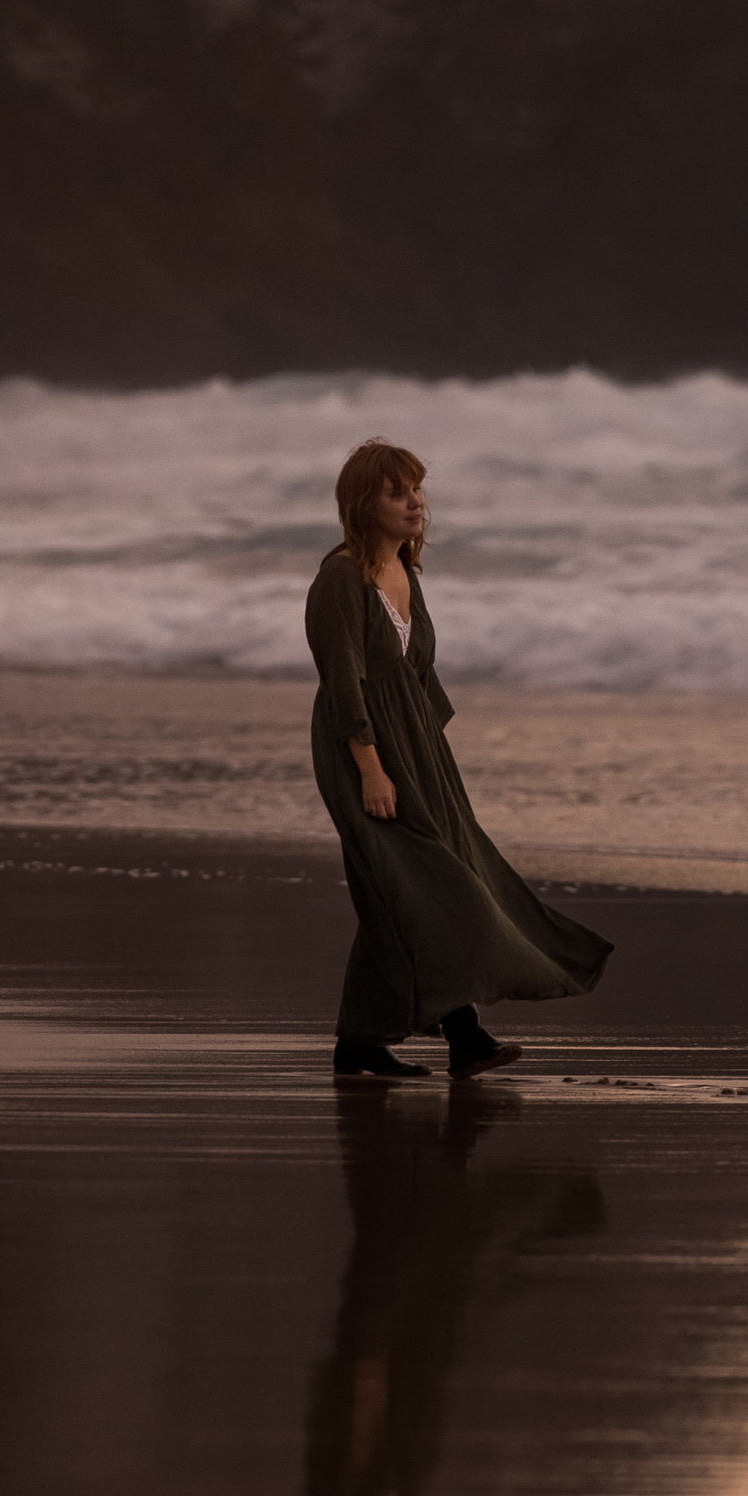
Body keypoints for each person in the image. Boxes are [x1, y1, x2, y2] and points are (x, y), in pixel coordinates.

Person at [304, 438, 612, 1083]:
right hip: (365, 751)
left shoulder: (406, 574)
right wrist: (372, 768)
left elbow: (418, 678)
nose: (415, 502)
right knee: (438, 891)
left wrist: (431, 756)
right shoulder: (340, 577)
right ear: (365, 504)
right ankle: (466, 1036)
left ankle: (360, 1044)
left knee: (405, 894)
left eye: (417, 489)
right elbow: (344, 683)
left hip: (420, 754)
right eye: (397, 492)